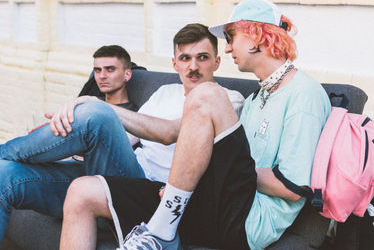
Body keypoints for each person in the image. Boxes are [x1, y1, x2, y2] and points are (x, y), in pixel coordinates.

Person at [60, 0, 331, 250]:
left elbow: (293, 189)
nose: (226, 47)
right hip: (212, 204)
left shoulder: (302, 93)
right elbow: (230, 161)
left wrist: (192, 182)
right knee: (82, 191)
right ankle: (166, 220)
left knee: (206, 93)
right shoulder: (257, 97)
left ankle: (161, 230)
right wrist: (184, 185)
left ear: (257, 35)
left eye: (230, 37)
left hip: (250, 219)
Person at [0, 24, 244, 242]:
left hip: (152, 194)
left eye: (202, 57)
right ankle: (8, 155)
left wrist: (100, 108)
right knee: (6, 174)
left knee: (96, 113)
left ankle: (6, 151)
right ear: (175, 63)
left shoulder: (226, 100)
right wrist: (61, 147)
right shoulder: (165, 92)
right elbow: (124, 140)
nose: (193, 67)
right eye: (185, 58)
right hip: (124, 173)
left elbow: (169, 133)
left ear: (216, 62)